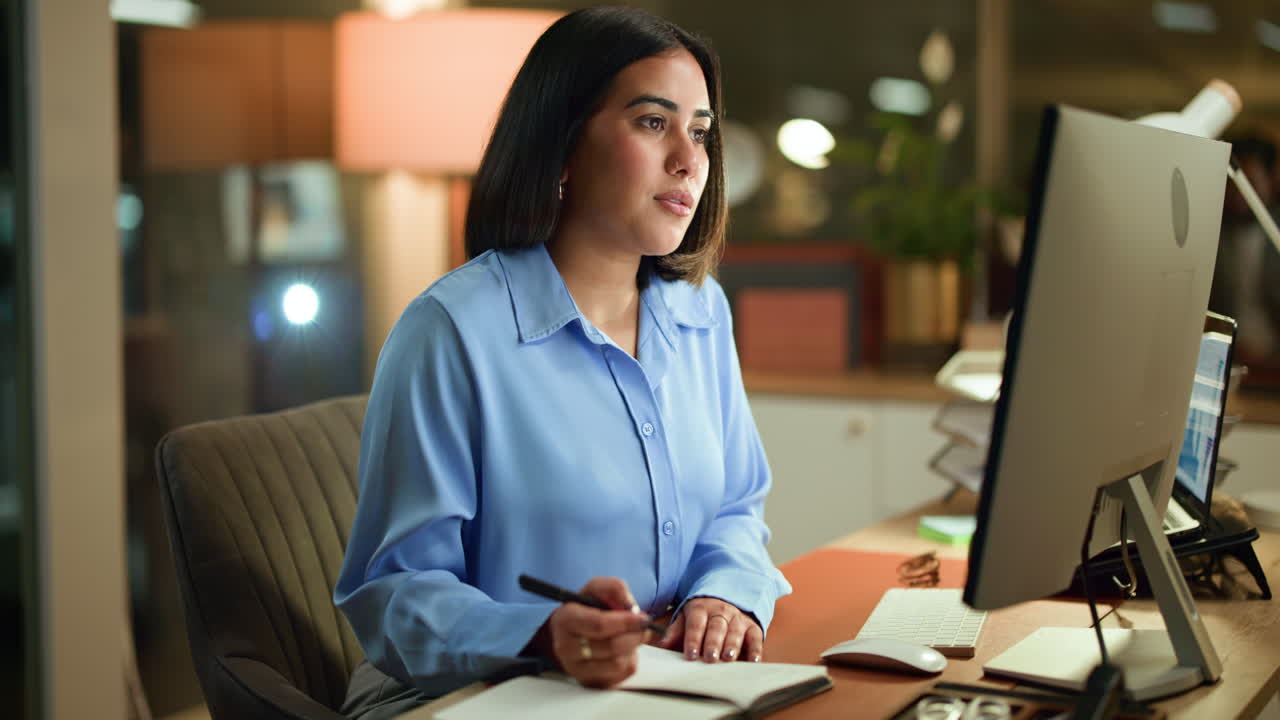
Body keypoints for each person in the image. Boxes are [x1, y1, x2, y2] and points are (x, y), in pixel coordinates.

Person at [334, 7, 791, 716]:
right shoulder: (450, 333)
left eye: (700, 131)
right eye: (652, 122)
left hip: (660, 685)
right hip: (475, 696)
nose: (689, 158)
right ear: (564, 144)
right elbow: (395, 593)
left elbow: (735, 506)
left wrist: (725, 591)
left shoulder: (703, 312)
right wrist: (543, 633)